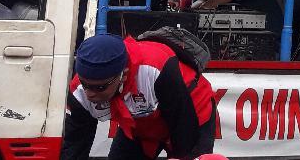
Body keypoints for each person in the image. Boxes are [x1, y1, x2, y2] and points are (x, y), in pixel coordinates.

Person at [61, 34, 215, 160]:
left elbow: (184, 126)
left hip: (191, 111)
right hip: (140, 122)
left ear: (123, 75)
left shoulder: (155, 68)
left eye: (100, 87)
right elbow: (74, 146)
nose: (90, 93)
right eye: (85, 84)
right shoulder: (79, 92)